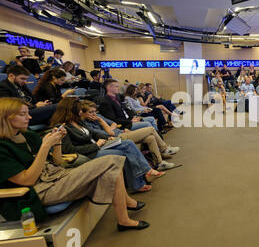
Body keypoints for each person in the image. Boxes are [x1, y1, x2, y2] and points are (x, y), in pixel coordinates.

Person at [0, 97, 149, 231]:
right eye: (23, 114)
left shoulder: (29, 136)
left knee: (111, 167)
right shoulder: (2, 148)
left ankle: (124, 219)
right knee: (111, 161)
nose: (30, 117)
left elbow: (58, 163)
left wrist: (57, 143)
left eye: (28, 113)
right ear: (6, 118)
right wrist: (45, 147)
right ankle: (126, 212)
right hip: (39, 190)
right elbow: (27, 180)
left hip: (56, 175)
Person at [50, 98, 164, 192]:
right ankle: (140, 179)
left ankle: (142, 176)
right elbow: (69, 150)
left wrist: (107, 138)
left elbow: (94, 133)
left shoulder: (77, 121)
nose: (81, 112)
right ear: (71, 110)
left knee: (128, 144)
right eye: (79, 110)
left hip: (98, 146)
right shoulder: (63, 127)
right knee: (122, 153)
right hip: (89, 153)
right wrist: (97, 145)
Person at [80, 100, 179, 171]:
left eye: (94, 111)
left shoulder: (99, 116)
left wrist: (110, 126)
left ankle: (159, 163)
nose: (93, 114)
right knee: (151, 129)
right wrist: (102, 122)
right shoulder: (88, 124)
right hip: (116, 138)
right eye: (90, 112)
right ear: (82, 113)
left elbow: (114, 123)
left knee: (150, 138)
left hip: (122, 132)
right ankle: (164, 149)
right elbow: (110, 133)